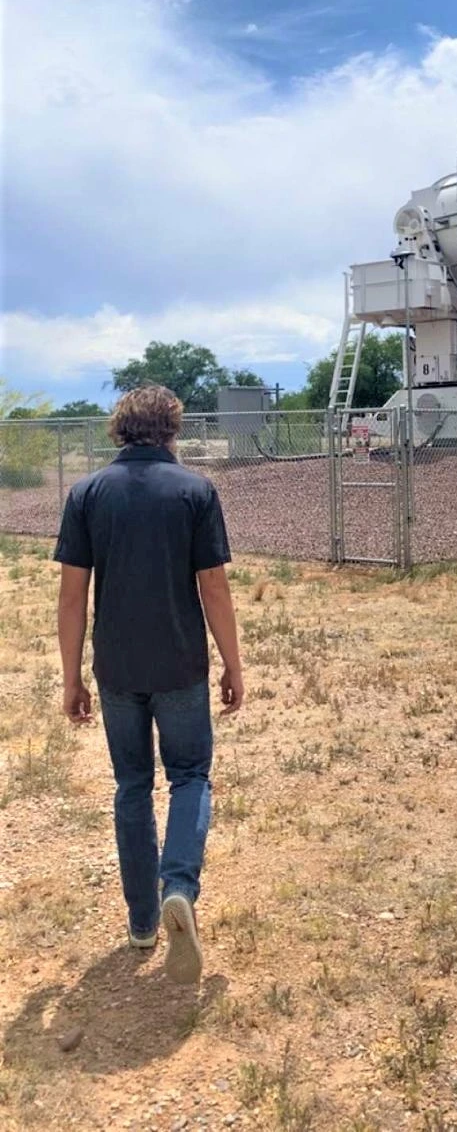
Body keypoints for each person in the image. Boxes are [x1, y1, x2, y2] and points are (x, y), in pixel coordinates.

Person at [54, 385, 244, 984]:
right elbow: (212, 584)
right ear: (172, 429)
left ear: (119, 428)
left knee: (131, 785)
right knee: (189, 775)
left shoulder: (86, 493)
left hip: (116, 667)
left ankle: (141, 922)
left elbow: (72, 594)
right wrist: (233, 662)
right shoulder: (194, 491)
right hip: (180, 664)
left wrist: (71, 676)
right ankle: (179, 885)